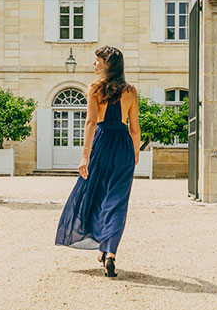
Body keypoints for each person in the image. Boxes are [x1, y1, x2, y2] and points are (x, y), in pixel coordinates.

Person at [55, 45, 141, 278]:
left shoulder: (94, 89)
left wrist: (85, 155)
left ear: (108, 64)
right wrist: (135, 153)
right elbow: (134, 128)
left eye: (98, 60)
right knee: (117, 201)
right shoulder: (131, 91)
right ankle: (110, 252)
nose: (94, 64)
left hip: (102, 145)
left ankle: (103, 245)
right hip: (123, 146)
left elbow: (91, 122)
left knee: (95, 194)